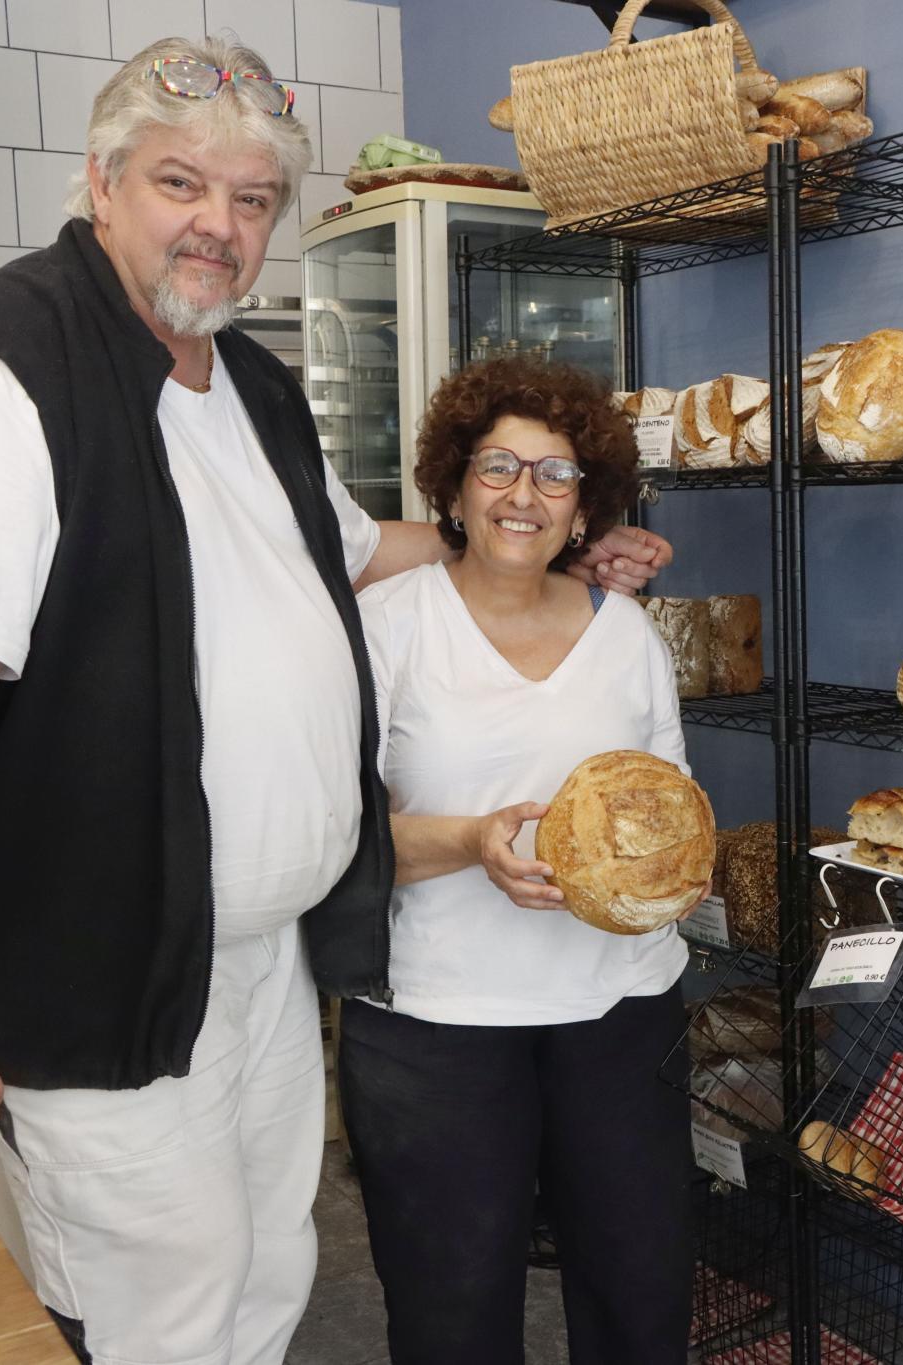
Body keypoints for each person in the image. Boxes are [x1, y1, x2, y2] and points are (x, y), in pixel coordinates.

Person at [0, 35, 669, 1365]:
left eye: (252, 201)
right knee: (157, 1302)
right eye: (182, 183)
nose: (219, 226)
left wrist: (543, 546)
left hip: (253, 964)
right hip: (105, 966)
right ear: (102, 181)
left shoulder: (245, 381)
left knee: (263, 1275)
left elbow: (362, 552)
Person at [340, 354, 695, 1365]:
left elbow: (670, 802)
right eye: (496, 468)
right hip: (437, 1026)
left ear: (587, 509)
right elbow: (335, 840)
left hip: (620, 1009)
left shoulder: (625, 634)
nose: (522, 495)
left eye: (554, 475)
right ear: (452, 487)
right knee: (451, 1305)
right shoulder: (383, 632)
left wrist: (678, 874)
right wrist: (465, 841)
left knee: (639, 1290)